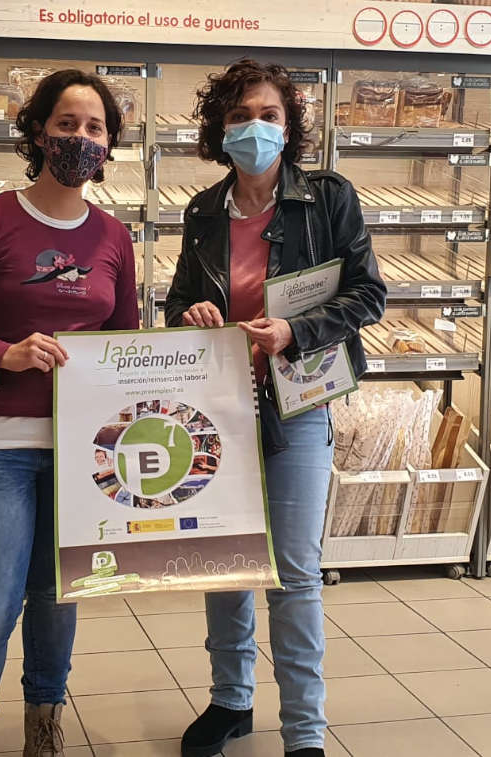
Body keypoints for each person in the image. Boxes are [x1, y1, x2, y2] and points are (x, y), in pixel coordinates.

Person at [163, 59, 386, 757]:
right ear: (219, 130)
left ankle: (304, 734)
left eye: (268, 116)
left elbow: (368, 295)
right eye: (240, 117)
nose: (254, 128)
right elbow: (177, 303)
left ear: (289, 129)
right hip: (220, 410)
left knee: (293, 575)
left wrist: (297, 330)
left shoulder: (327, 198)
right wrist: (191, 314)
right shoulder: (203, 211)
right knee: (225, 562)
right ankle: (231, 700)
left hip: (299, 406)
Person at [0, 68, 140, 757]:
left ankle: (44, 724)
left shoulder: (114, 237)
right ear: (39, 132)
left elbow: (124, 341)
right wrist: (2, 354)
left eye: (95, 128)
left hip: (80, 447)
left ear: (109, 144)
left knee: (56, 594)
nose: (81, 138)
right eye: (67, 123)